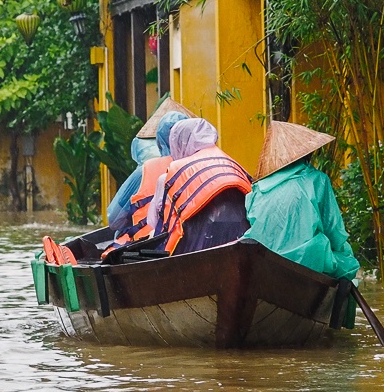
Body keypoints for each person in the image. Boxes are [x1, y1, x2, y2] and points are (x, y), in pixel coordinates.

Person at [243, 121, 360, 279]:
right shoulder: (317, 180)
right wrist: (343, 255)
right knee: (348, 264)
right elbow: (334, 230)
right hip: (308, 260)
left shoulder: (257, 190)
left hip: (264, 261)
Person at [147, 117, 252, 256]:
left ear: (177, 143)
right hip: (239, 245)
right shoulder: (233, 166)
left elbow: (153, 221)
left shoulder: (171, 175)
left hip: (190, 251)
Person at [106, 100, 190, 235]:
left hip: (147, 243)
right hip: (191, 240)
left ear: (159, 142)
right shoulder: (203, 167)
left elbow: (114, 220)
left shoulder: (146, 170)